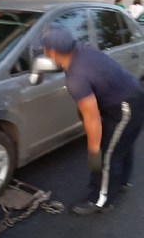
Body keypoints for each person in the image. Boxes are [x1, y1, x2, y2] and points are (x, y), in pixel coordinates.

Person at [41, 25, 144, 215]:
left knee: (107, 154)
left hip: (125, 107)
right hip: (131, 93)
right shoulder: (79, 50)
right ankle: (121, 180)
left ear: (53, 52)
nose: (42, 51)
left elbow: (92, 117)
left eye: (44, 48)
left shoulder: (76, 78)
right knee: (121, 144)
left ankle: (100, 200)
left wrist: (94, 150)